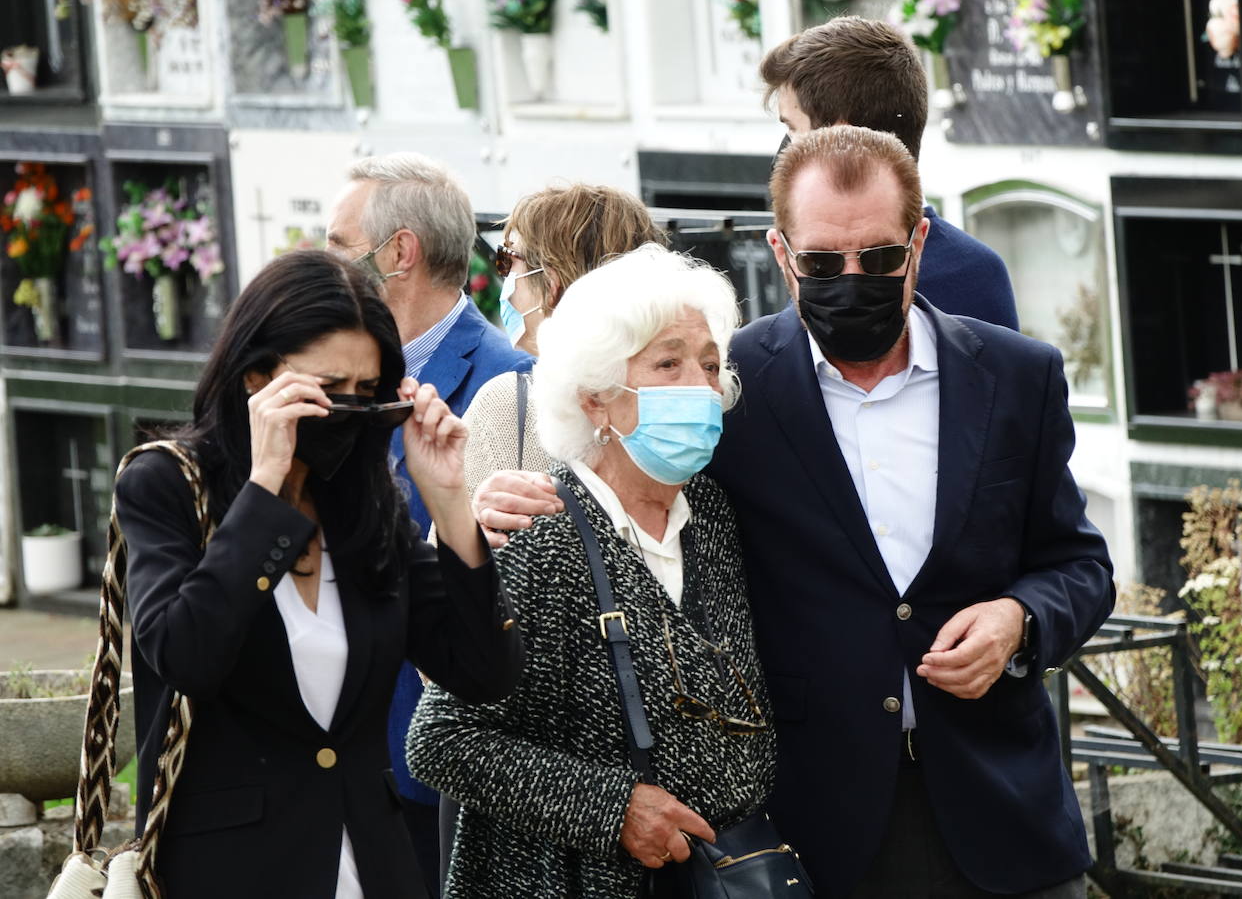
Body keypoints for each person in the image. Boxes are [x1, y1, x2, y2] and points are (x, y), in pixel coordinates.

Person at [473, 127, 1114, 898]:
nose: (852, 278)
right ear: (782, 255)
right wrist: (498, 504)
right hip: (813, 836)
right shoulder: (729, 387)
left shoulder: (1018, 375)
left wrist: (1020, 618)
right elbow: (633, 493)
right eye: (821, 262)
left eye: (878, 258)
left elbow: (1079, 563)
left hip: (1007, 817)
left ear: (918, 243)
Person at [114, 250, 524, 898]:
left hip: (373, 864)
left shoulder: (367, 504)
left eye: (366, 395)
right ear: (256, 378)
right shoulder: (166, 483)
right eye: (326, 392)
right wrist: (267, 490)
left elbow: (482, 672)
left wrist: (449, 501)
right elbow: (186, 654)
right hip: (234, 873)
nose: (346, 413)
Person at [407, 244, 776, 899]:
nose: (701, 385)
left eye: (711, 365)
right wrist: (614, 809)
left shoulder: (712, 515)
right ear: (598, 400)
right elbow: (440, 739)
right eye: (668, 363)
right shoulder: (540, 532)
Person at [327, 151, 533, 892]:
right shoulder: (338, 376)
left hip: (426, 771)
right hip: (331, 761)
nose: (325, 266)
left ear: (399, 253)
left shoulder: (509, 388)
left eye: (337, 246)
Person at [760, 15, 1020, 331]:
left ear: (843, 138)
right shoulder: (979, 268)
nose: (786, 150)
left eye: (793, 128)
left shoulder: (824, 275)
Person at [466, 182, 665, 488]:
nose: (503, 275)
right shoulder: (680, 388)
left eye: (507, 260)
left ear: (551, 283)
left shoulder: (507, 403)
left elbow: (458, 533)